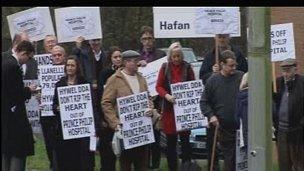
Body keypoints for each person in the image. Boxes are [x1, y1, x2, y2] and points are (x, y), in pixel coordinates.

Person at [198, 34, 248, 171]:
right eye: (231, 66)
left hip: (242, 128)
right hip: (223, 128)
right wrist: (211, 116)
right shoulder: (213, 81)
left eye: (235, 65)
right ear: (222, 65)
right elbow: (204, 102)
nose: (234, 68)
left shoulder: (241, 77)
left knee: (244, 162)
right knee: (230, 161)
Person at [102, 50, 152, 171]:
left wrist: (150, 108)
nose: (137, 64)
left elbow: (148, 97)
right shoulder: (115, 79)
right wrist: (115, 123)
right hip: (125, 131)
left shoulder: (141, 78)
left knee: (142, 164)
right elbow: (106, 103)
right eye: (135, 61)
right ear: (126, 62)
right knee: (126, 164)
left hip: (142, 130)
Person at [52, 56, 95, 171]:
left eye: (72, 65)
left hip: (81, 130)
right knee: (66, 159)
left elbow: (91, 105)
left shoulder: (84, 83)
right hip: (64, 130)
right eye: (68, 65)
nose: (70, 68)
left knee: (81, 160)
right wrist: (57, 108)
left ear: (77, 68)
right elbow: (54, 105)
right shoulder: (59, 84)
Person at [155, 42, 194, 171]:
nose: (176, 59)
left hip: (184, 110)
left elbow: (193, 86)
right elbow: (158, 86)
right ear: (170, 57)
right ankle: (173, 167)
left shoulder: (188, 68)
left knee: (185, 142)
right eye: (174, 56)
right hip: (169, 110)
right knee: (171, 143)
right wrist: (167, 96)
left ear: (182, 56)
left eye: (178, 56)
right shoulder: (165, 67)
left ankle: (186, 167)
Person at [2, 40, 37, 171]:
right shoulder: (13, 66)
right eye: (28, 57)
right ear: (23, 53)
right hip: (13, 119)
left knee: (6, 153)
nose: (27, 61)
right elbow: (15, 94)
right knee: (17, 153)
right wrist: (29, 90)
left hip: (5, 120)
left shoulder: (4, 61)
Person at [138, 25, 166, 170]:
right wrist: (139, 65)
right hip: (142, 100)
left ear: (153, 40)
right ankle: (143, 165)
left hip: (157, 101)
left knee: (155, 136)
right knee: (143, 137)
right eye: (144, 39)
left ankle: (155, 165)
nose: (147, 41)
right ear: (141, 40)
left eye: (150, 38)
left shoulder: (161, 55)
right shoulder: (136, 56)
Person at [273, 58, 303, 171]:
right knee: (284, 162)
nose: (285, 74)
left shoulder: (302, 83)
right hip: (281, 130)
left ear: (295, 69)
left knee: (299, 162)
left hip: (298, 131)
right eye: (283, 71)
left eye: (288, 71)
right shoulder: (278, 82)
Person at [97, 46, 123, 171]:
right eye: (115, 57)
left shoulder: (126, 72)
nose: (118, 59)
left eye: (120, 57)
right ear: (110, 59)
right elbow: (101, 97)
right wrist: (102, 119)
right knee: (107, 152)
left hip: (122, 116)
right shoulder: (104, 73)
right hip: (107, 118)